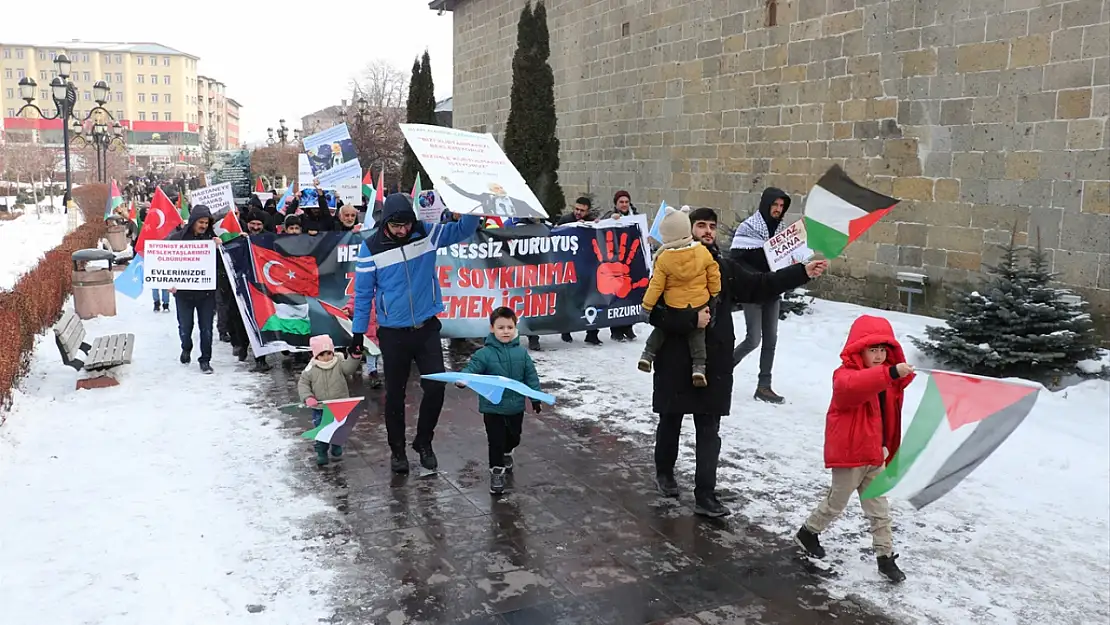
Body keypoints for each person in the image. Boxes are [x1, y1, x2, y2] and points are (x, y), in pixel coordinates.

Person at [649, 207, 827, 517]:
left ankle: (705, 493)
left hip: (714, 361)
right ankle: (665, 473)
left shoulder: (724, 267)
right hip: (676, 359)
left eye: (712, 226)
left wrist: (802, 272)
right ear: (686, 230)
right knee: (670, 421)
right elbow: (653, 313)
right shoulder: (667, 265)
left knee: (709, 428)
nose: (707, 231)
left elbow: (760, 284)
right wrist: (690, 319)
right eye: (700, 225)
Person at [351, 193, 481, 474]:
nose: (403, 231)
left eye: (406, 225)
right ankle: (397, 450)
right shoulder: (370, 247)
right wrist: (358, 334)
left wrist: (472, 203)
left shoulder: (426, 233)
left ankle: (424, 441)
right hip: (393, 333)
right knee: (395, 395)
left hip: (426, 328)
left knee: (435, 386)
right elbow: (362, 295)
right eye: (397, 226)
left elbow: (463, 230)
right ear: (386, 223)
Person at [795, 315, 915, 584]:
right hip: (850, 455)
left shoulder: (887, 379)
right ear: (858, 349)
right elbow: (854, 388)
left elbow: (889, 407)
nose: (879, 355)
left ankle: (885, 557)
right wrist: (891, 372)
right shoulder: (845, 376)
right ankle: (808, 532)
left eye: (883, 349)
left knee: (880, 509)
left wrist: (896, 374)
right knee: (836, 503)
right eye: (873, 349)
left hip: (875, 454)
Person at [456, 307, 542, 495]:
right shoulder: (484, 354)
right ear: (492, 328)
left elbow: (531, 377)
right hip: (492, 407)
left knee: (513, 437)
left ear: (515, 328)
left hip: (515, 407)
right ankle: (496, 472)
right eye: (501, 327)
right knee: (495, 441)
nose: (505, 331)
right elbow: (472, 368)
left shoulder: (522, 353)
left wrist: (535, 398)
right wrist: (464, 379)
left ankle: (508, 452)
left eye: (509, 327)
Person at [638, 207, 722, 387]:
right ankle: (699, 367)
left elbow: (656, 286)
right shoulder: (702, 252)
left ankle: (647, 355)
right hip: (699, 302)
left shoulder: (664, 259)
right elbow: (714, 274)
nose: (708, 231)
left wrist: (646, 306)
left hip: (674, 305)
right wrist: (714, 293)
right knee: (698, 334)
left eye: (712, 226)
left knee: (661, 331)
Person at [730, 187, 792, 404]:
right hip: (753, 291)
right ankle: (722, 370)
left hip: (772, 292)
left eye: (781, 206)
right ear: (766, 204)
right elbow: (736, 260)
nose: (778, 209)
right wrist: (757, 276)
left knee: (771, 340)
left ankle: (764, 386)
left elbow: (785, 259)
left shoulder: (783, 231)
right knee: (753, 339)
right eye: (775, 205)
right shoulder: (748, 228)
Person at [168, 204, 222, 374]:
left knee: (206, 328)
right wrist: (169, 282)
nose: (204, 226)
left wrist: (220, 248)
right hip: (183, 294)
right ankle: (186, 347)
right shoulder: (176, 239)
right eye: (201, 222)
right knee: (185, 326)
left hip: (206, 294)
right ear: (193, 222)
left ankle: (205, 360)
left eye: (206, 223)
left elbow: (221, 266)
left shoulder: (212, 241)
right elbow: (163, 262)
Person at [298, 334, 361, 466]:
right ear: (315, 355)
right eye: (322, 354)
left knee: (338, 429)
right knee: (322, 432)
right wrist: (308, 397)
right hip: (320, 408)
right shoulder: (311, 369)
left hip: (339, 406)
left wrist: (354, 357)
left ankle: (336, 446)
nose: (326, 358)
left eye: (328, 353)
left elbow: (349, 369)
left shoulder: (338, 362)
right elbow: (303, 384)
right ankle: (321, 452)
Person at [556, 197, 603, 345]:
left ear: (587, 211)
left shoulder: (593, 221)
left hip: (587, 268)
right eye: (576, 209)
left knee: (592, 300)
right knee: (569, 301)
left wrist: (594, 226)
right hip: (569, 267)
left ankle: (592, 333)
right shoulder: (565, 220)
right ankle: (566, 331)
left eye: (582, 211)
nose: (578, 212)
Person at [608, 190, 639, 341]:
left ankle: (629, 326)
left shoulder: (635, 216)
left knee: (631, 295)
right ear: (616, 204)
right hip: (617, 261)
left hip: (632, 260)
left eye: (626, 202)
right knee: (617, 296)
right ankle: (616, 330)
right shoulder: (611, 216)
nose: (624, 204)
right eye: (621, 202)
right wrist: (611, 220)